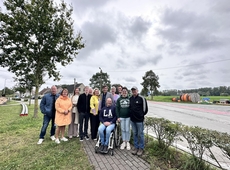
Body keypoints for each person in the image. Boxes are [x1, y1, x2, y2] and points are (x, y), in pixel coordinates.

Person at [129, 86, 148, 156]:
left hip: (139, 120)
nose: (134, 91)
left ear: (137, 90)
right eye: (132, 90)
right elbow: (129, 108)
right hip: (132, 120)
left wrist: (141, 115)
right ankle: (136, 147)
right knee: (135, 133)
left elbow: (145, 109)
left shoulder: (142, 98)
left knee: (140, 134)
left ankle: (141, 148)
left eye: (135, 90)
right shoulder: (130, 98)